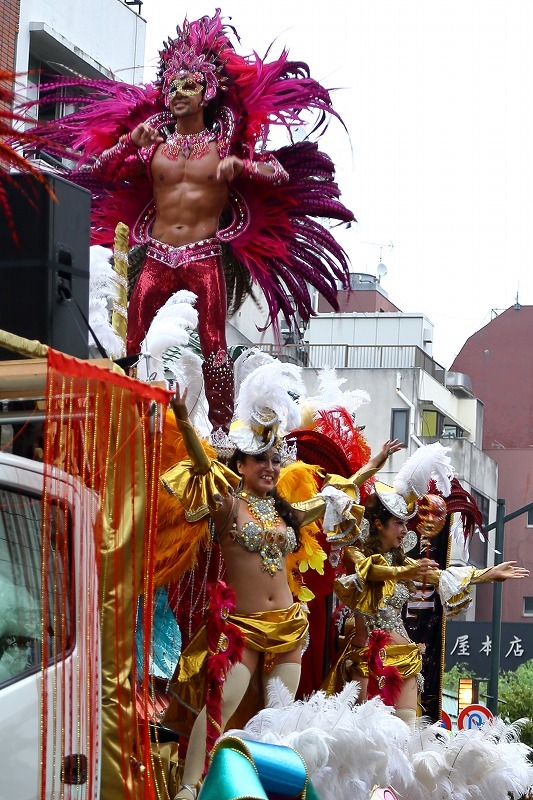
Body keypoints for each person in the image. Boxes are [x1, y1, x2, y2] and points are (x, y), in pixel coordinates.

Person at [81, 10, 355, 432]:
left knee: (215, 345)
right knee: (132, 339)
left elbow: (277, 175)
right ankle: (124, 413)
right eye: (171, 85)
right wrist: (127, 143)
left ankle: (223, 432)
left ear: (207, 90)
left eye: (187, 85)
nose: (177, 93)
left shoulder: (223, 142)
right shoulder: (154, 140)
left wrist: (241, 169)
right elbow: (102, 171)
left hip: (204, 255)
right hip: (157, 254)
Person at [160, 374, 399, 800]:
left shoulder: (287, 513)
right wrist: (180, 417)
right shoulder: (227, 505)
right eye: (260, 459)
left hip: (289, 628)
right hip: (244, 629)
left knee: (278, 722)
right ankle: (188, 787)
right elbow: (200, 466)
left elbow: (334, 495)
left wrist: (374, 465)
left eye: (275, 459)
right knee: (220, 707)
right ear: (240, 465)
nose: (270, 467)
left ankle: (263, 789)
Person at [327, 484, 530, 727]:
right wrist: (407, 570)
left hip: (404, 658)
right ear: (379, 524)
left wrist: (487, 574)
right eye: (398, 523)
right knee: (362, 736)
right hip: (367, 661)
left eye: (405, 524)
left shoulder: (402, 562)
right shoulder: (355, 555)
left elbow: (441, 577)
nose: (404, 530)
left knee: (405, 735)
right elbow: (371, 572)